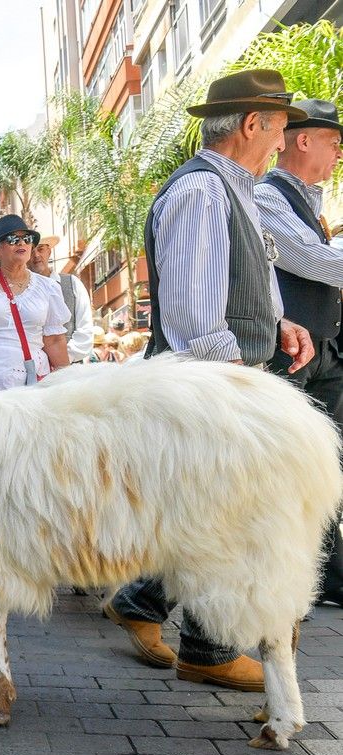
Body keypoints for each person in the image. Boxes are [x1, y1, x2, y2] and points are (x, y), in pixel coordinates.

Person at [105, 70, 315, 691]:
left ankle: (145, 606)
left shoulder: (234, 190)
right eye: (280, 131)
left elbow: (240, 286)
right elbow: (196, 323)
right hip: (207, 390)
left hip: (221, 385)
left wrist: (279, 325)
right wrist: (249, 386)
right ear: (252, 125)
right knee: (223, 519)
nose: (282, 145)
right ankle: (209, 649)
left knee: (209, 516)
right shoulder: (201, 193)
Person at [255, 98, 343, 608]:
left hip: (322, 348)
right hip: (291, 351)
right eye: (334, 141)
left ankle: (326, 574)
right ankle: (147, 599)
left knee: (325, 466)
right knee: (285, 470)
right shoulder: (269, 196)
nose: (339, 152)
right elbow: (306, 259)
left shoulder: (308, 199)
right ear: (302, 139)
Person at [0, 215, 71, 391]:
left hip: (32, 385)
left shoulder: (49, 288)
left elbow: (54, 340)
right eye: (13, 239)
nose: (21, 243)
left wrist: (67, 384)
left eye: (27, 239)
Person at [30, 234, 93, 363]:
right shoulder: (20, 291)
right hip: (33, 370)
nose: (36, 255)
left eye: (41, 249)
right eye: (31, 251)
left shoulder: (71, 283)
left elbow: (85, 330)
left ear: (49, 251)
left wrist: (63, 359)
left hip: (70, 368)